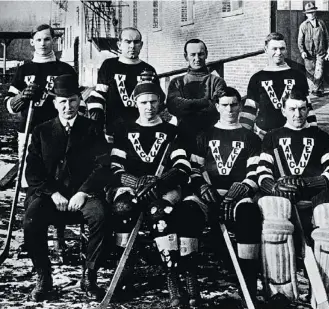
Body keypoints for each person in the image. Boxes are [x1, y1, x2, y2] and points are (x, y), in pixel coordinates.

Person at [108, 80, 199, 308]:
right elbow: (115, 167)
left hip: (164, 188)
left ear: (160, 103)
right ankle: (124, 272)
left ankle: (173, 277)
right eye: (144, 102)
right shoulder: (124, 130)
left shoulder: (172, 132)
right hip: (134, 187)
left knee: (160, 212)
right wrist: (136, 181)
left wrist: (158, 183)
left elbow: (182, 166)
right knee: (122, 209)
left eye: (153, 101)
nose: (149, 106)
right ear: (135, 102)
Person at [257, 89, 329, 308]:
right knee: (274, 223)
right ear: (283, 110)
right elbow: (262, 173)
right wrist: (276, 187)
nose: (297, 114)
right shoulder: (272, 137)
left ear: (308, 109)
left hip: (315, 196)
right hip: (284, 198)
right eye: (292, 109)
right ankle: (281, 292)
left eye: (301, 108)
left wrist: (308, 183)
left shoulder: (320, 136)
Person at [23, 74, 111, 302]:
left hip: (84, 194)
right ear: (54, 104)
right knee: (31, 219)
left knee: (101, 216)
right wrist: (52, 193)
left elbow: (103, 166)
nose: (68, 106)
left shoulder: (92, 128)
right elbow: (32, 171)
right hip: (50, 195)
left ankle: (90, 276)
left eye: (72, 100)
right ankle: (44, 276)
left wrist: (83, 192)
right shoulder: (41, 131)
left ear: (79, 100)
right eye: (62, 101)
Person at [186, 87, 262, 306]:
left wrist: (240, 190)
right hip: (208, 195)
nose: (230, 109)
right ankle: (192, 288)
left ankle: (248, 284)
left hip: (236, 198)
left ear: (240, 106)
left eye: (234, 104)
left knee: (249, 214)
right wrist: (201, 185)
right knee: (187, 212)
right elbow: (193, 168)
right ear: (217, 107)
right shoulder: (205, 135)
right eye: (225, 105)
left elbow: (255, 172)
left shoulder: (250, 137)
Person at [3, 24, 80, 187]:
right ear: (32, 42)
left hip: (57, 130)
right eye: (38, 40)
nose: (43, 43)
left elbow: (76, 100)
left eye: (47, 39)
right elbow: (8, 104)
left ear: (54, 40)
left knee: (59, 175)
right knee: (29, 177)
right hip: (29, 130)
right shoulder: (24, 70)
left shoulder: (64, 69)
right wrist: (21, 97)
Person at [86, 27, 163, 143]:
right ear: (119, 44)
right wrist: (97, 121)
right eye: (127, 41)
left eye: (136, 42)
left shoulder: (148, 69)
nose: (132, 46)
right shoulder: (109, 66)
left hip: (142, 129)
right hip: (115, 129)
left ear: (141, 45)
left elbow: (159, 100)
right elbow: (99, 95)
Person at [241, 32, 317, 140]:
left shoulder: (298, 76)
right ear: (266, 50)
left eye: (282, 49)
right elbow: (249, 110)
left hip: (293, 136)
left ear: (286, 50)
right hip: (264, 136)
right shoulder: (257, 78)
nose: (278, 52)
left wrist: (314, 132)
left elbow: (307, 107)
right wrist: (242, 136)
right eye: (274, 49)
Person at [166, 38, 227, 144]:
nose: (197, 58)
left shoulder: (217, 81)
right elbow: (173, 106)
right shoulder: (177, 82)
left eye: (201, 54)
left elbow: (217, 108)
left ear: (206, 54)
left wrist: (186, 106)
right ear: (186, 56)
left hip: (211, 136)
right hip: (184, 135)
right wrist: (205, 102)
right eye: (192, 55)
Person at [297, 1, 329, 97]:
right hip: (308, 54)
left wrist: (328, 52)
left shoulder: (321, 23)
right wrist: (302, 51)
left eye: (312, 12)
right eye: (309, 13)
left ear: (315, 13)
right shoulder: (303, 26)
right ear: (306, 14)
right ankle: (313, 90)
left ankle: (318, 90)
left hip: (320, 52)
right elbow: (300, 41)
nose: (311, 14)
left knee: (319, 71)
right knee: (310, 72)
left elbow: (327, 38)